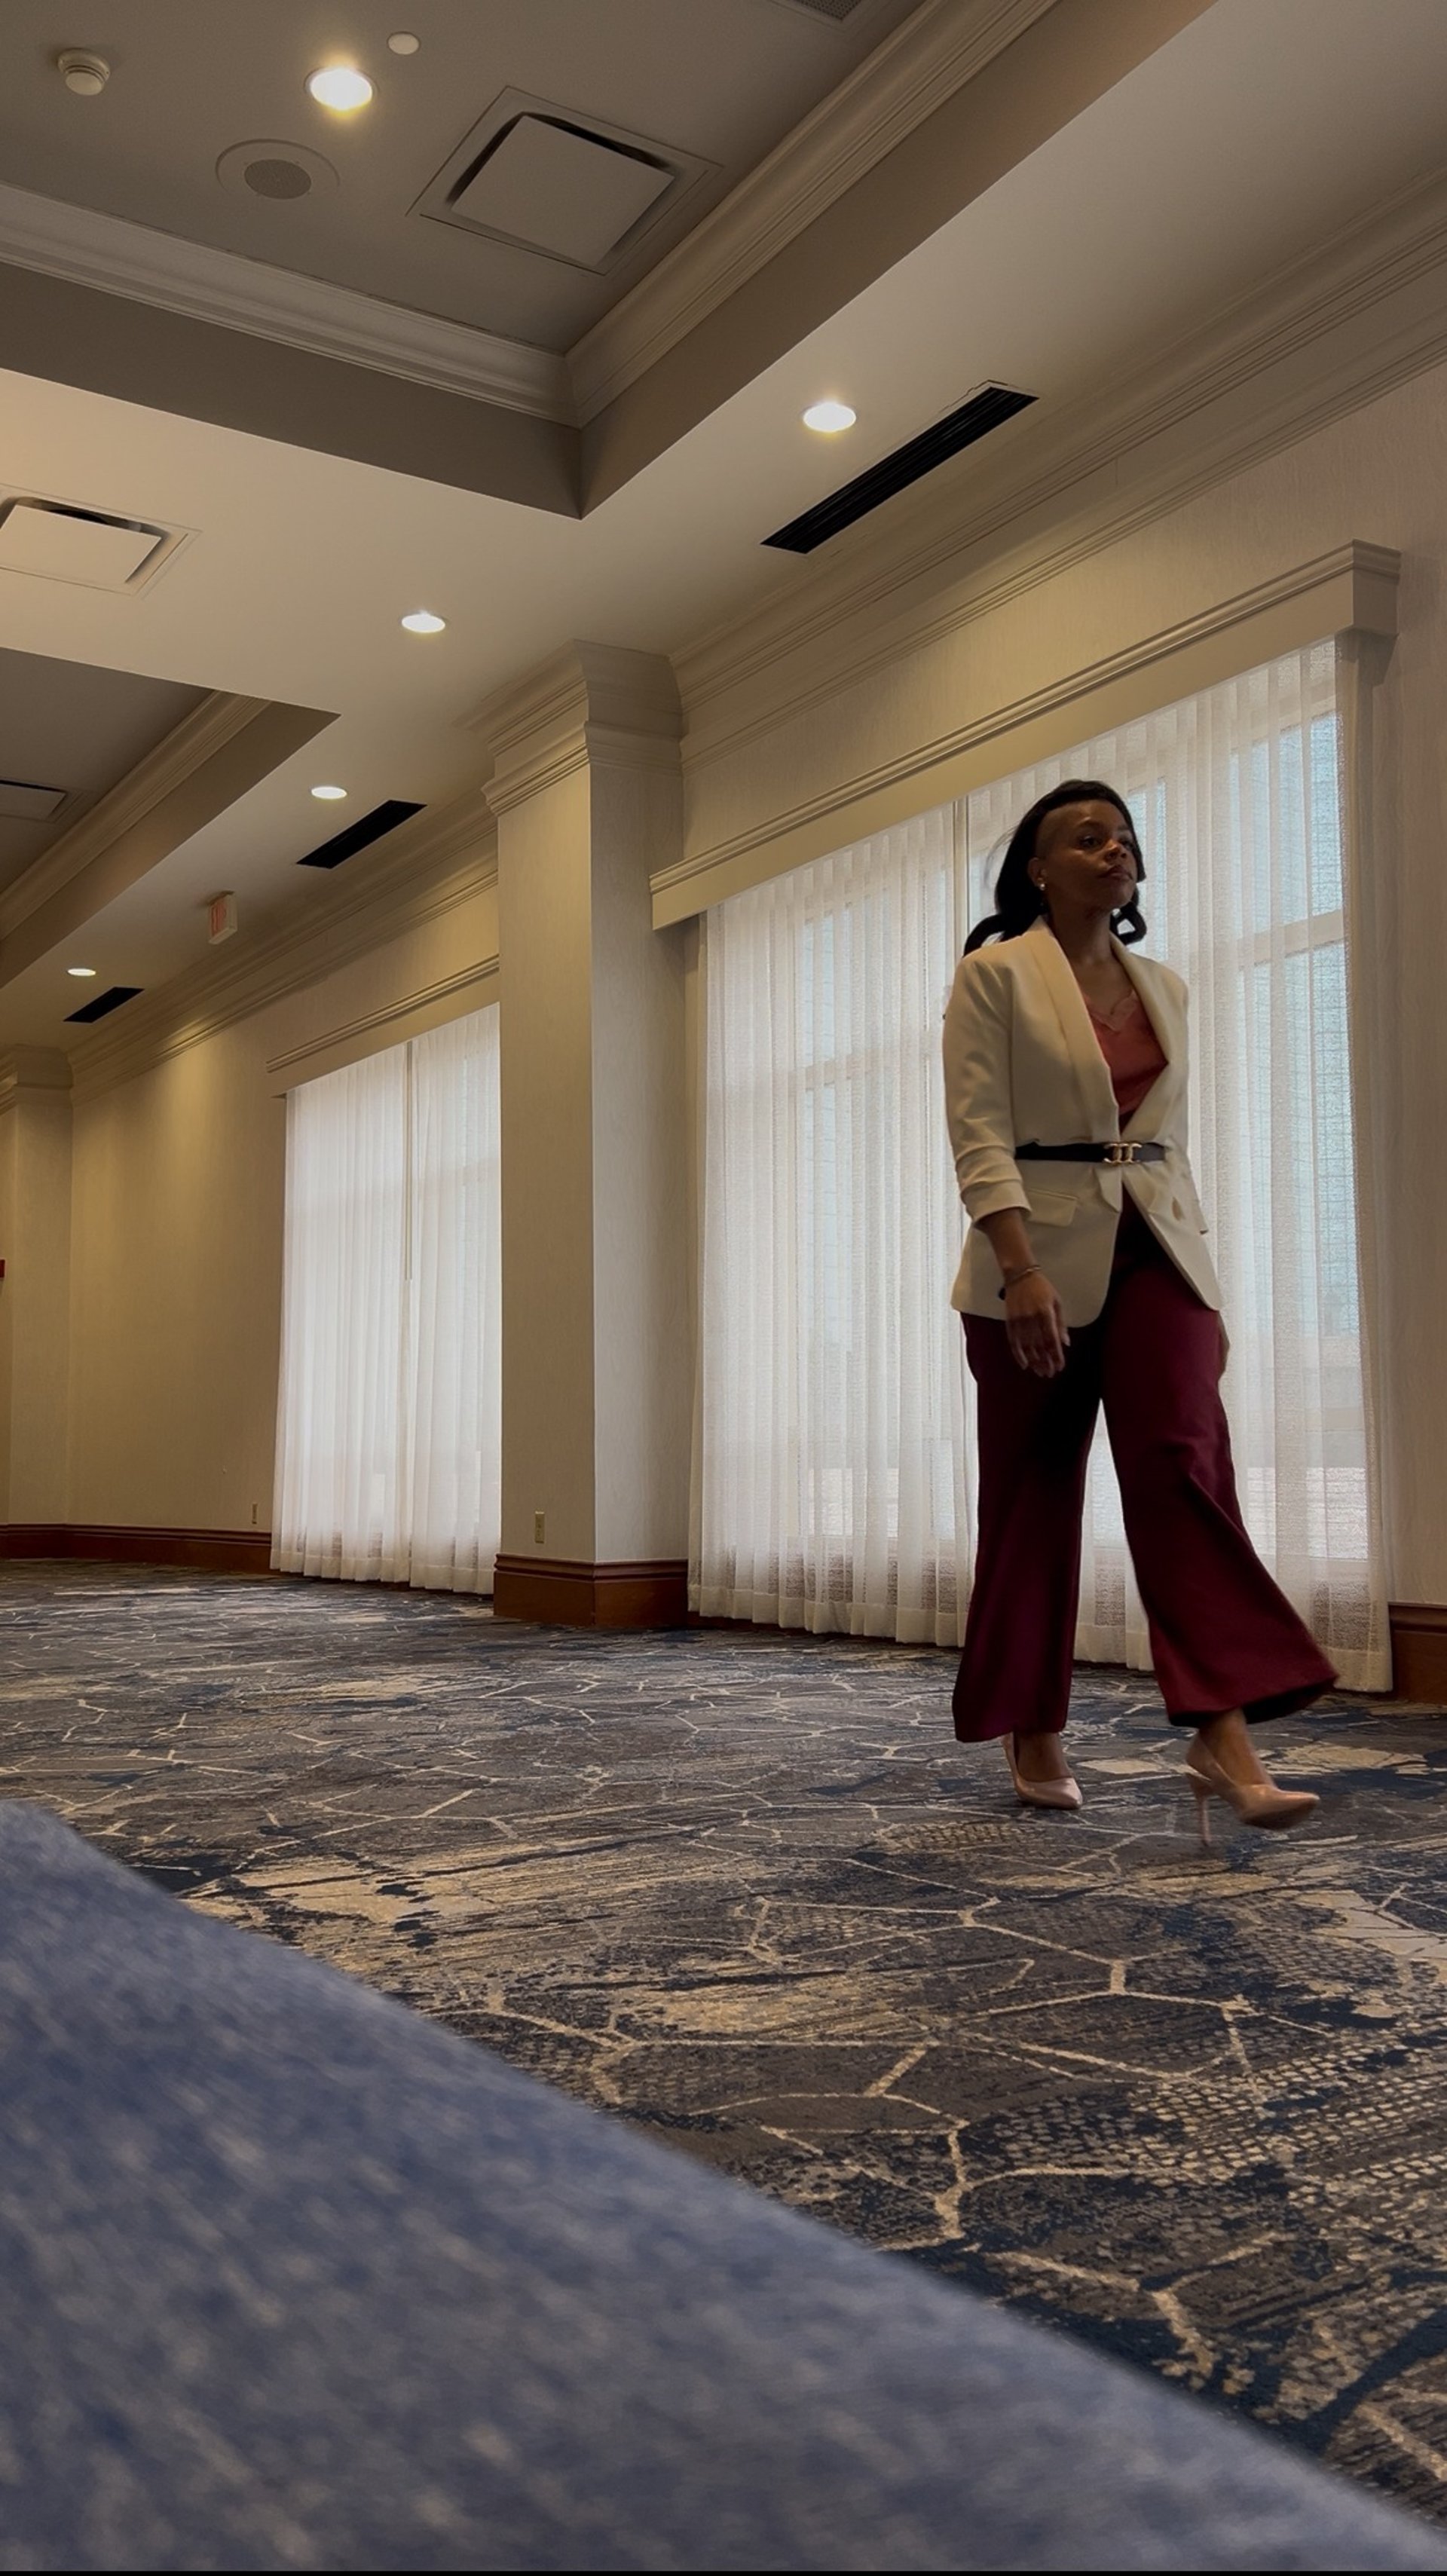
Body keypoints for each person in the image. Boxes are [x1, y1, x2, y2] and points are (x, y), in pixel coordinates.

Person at [941, 779, 1333, 1837]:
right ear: (1038, 864)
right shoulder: (994, 976)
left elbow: (1163, 1135)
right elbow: (979, 1132)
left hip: (1158, 1244)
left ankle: (1224, 1727)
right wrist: (1020, 1269)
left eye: (1125, 837)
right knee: (1031, 1492)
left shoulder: (1166, 984)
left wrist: (1202, 1267)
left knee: (1181, 1463)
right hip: (1033, 1258)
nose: (1114, 850)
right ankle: (1033, 1722)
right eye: (1088, 836)